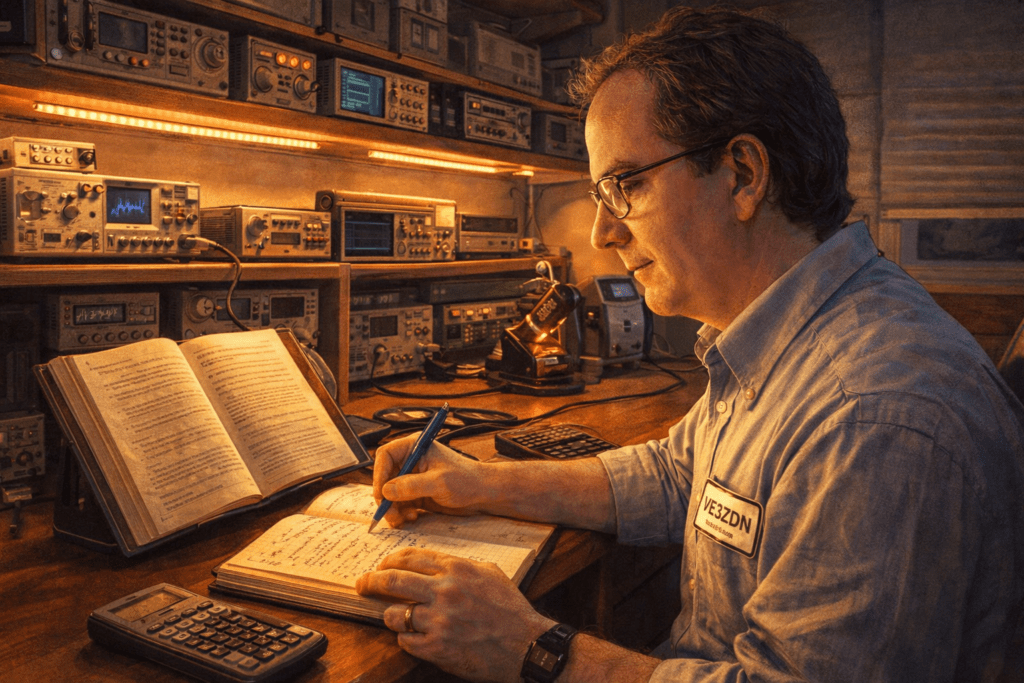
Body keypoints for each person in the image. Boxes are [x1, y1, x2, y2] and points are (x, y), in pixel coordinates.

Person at [354, 6, 1024, 682]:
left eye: (625, 186)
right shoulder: (780, 338)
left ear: (742, 175)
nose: (601, 235)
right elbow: (678, 478)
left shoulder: (875, 415)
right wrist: (477, 482)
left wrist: (531, 646)